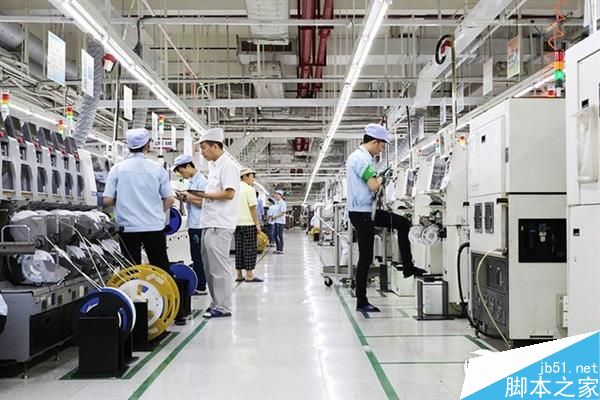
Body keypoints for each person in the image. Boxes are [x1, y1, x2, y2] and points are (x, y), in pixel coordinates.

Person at [346, 123, 426, 313]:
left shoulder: (363, 158)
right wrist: (382, 178)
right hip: (362, 214)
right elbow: (373, 185)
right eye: (382, 145)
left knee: (403, 223)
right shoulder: (360, 159)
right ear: (374, 142)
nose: (382, 149)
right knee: (366, 257)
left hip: (368, 212)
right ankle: (361, 301)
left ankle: (408, 267)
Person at [103, 128, 174, 271]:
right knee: (160, 270)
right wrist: (157, 211)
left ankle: (133, 286)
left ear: (128, 146)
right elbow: (170, 199)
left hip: (128, 227)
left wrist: (123, 201)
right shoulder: (157, 169)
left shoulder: (117, 169)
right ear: (147, 145)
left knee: (130, 271)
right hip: (154, 225)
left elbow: (107, 201)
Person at [194, 128, 240, 318]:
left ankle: (223, 307)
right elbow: (211, 197)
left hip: (220, 225)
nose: (202, 152)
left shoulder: (228, 166)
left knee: (219, 268)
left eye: (204, 148)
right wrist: (190, 197)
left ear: (215, 146)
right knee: (209, 268)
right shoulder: (214, 167)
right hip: (209, 223)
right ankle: (216, 303)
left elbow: (229, 193)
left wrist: (205, 195)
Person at [172, 154, 208, 295]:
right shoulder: (192, 181)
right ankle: (200, 284)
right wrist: (183, 198)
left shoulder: (202, 181)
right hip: (193, 224)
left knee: (198, 257)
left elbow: (204, 203)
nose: (182, 175)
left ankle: (201, 286)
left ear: (188, 166)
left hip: (199, 225)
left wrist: (189, 198)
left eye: (182, 171)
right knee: (195, 256)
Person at [235, 168, 263, 282]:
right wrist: (257, 224)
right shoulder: (249, 189)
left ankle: (239, 274)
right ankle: (249, 275)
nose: (253, 179)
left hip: (236, 224)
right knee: (249, 249)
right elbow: (252, 208)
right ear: (245, 176)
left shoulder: (235, 189)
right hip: (248, 224)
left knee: (239, 249)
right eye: (252, 176)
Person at [272, 190, 286, 254]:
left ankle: (281, 250)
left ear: (281, 195)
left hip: (280, 222)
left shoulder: (282, 203)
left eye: (277, 194)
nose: (276, 196)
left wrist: (275, 216)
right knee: (274, 235)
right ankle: (278, 249)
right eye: (275, 194)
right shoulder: (276, 203)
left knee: (280, 235)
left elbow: (282, 213)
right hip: (275, 221)